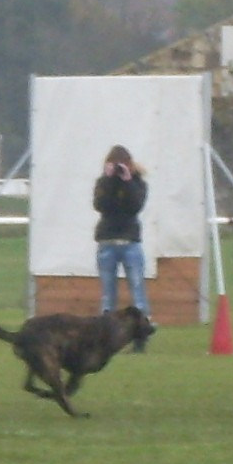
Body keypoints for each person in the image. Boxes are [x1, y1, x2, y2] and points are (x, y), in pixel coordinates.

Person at [92, 145, 151, 350]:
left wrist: (127, 182)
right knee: (108, 295)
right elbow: (100, 205)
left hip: (130, 243)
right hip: (107, 242)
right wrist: (108, 180)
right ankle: (106, 338)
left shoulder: (138, 183)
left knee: (137, 290)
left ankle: (140, 338)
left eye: (122, 165)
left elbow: (135, 206)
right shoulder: (103, 183)